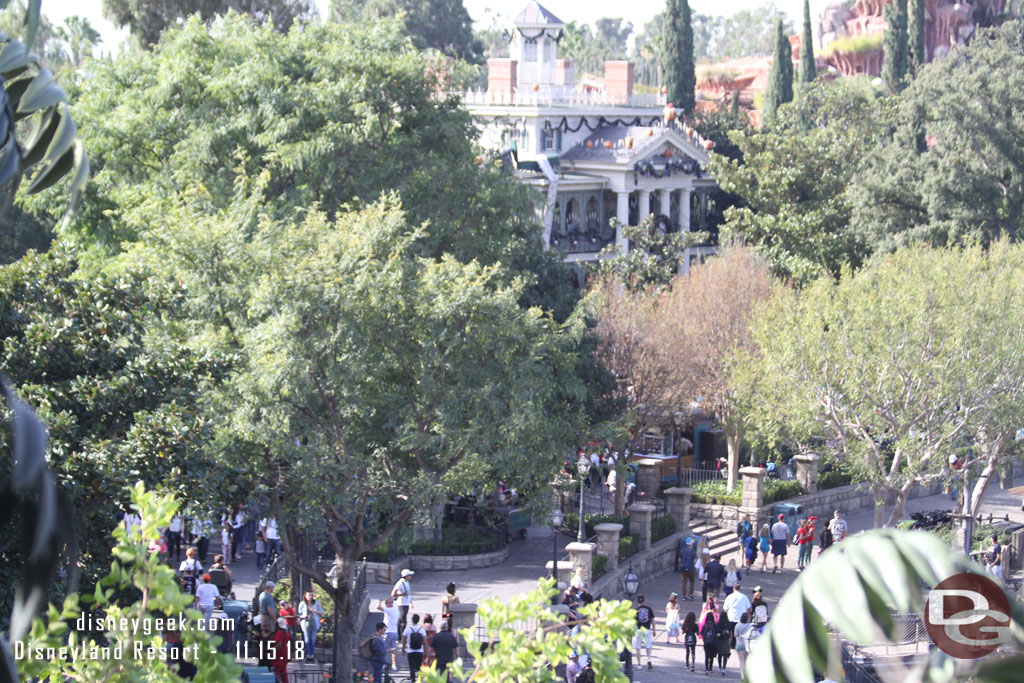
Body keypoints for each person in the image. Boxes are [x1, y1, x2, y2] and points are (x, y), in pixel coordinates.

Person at [299, 591, 325, 662]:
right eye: (308, 595)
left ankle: (312, 655)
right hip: (305, 623)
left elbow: (322, 612)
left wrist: (314, 611)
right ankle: (308, 655)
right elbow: (298, 614)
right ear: (305, 596)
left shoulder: (316, 603)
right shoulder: (302, 603)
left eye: (311, 595)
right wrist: (303, 616)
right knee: (307, 640)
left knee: (313, 640)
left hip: (314, 623)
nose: (309, 597)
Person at [377, 597, 402, 670]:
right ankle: (394, 665)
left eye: (386, 603)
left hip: (388, 632)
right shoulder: (396, 609)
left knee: (383, 648)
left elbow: (377, 607)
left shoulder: (389, 610)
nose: (386, 604)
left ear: (389, 603)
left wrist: (379, 600)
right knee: (394, 648)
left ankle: (383, 664)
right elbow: (398, 622)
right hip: (395, 632)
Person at [633, 594, 656, 670]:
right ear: (644, 601)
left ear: (637, 601)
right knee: (648, 645)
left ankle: (639, 664)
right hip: (647, 629)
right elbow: (653, 619)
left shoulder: (635, 610)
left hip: (638, 630)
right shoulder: (649, 609)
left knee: (637, 647)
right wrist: (654, 629)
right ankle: (649, 659)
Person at [403, 613, 427, 682]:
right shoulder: (421, 630)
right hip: (419, 651)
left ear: (412, 620)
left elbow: (404, 639)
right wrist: (425, 651)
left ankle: (413, 679)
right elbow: (425, 642)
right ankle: (419, 679)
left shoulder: (408, 629)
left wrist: (403, 648)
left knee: (411, 666)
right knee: (419, 666)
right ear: (418, 620)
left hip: (410, 651)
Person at [392, 568, 414, 635]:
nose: (410, 576)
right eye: (409, 575)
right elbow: (393, 594)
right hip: (401, 603)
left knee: (403, 619)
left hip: (406, 603)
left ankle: (400, 634)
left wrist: (410, 602)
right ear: (406, 576)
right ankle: (400, 634)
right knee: (402, 620)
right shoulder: (400, 583)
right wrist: (403, 594)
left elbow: (408, 593)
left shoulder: (406, 582)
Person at [700, 605, 719, 674]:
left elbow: (701, 633)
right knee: (711, 656)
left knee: (706, 656)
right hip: (713, 642)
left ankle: (706, 668)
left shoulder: (705, 625)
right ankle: (710, 668)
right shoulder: (715, 625)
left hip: (706, 642)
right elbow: (717, 633)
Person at [716, 608, 732, 674]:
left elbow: (717, 633)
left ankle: (720, 666)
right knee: (725, 655)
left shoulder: (718, 624)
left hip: (720, 640)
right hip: (726, 641)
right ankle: (724, 667)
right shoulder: (729, 623)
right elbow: (731, 633)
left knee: (720, 654)